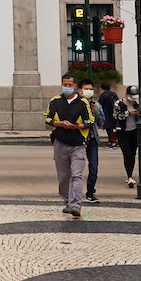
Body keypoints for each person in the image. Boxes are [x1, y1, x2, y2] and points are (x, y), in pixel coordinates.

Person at [44, 74, 95, 219]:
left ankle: (76, 205)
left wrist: (79, 126)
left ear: (75, 86)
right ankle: (67, 201)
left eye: (70, 85)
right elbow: (47, 117)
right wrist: (60, 124)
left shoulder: (83, 102)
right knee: (64, 176)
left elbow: (91, 119)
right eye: (65, 85)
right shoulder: (55, 101)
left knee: (77, 174)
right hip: (61, 142)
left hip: (78, 144)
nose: (67, 87)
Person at [110, 86, 141, 187]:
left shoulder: (136, 104)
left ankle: (130, 175)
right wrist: (128, 113)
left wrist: (138, 113)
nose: (133, 99)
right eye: (131, 96)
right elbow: (116, 116)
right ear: (126, 94)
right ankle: (129, 175)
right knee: (127, 153)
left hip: (134, 131)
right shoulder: (119, 103)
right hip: (123, 131)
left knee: (133, 154)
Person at [78, 78, 102, 203]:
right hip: (79, 140)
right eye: (86, 89)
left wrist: (96, 113)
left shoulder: (96, 105)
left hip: (92, 140)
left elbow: (102, 123)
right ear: (80, 90)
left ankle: (90, 192)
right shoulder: (76, 104)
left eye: (91, 89)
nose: (88, 91)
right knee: (76, 169)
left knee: (94, 167)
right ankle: (75, 194)